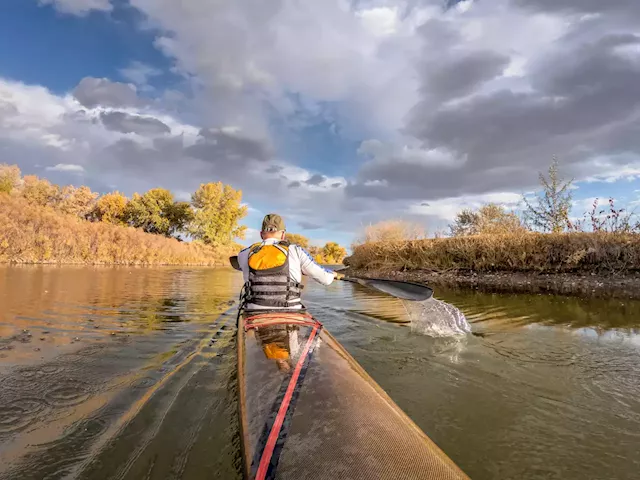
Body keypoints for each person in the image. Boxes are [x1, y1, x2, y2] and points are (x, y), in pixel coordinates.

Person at [237, 213, 344, 311]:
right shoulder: (296, 250)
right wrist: (332, 274)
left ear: (261, 234)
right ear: (283, 234)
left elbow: (239, 265)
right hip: (290, 311)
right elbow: (325, 278)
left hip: (254, 311)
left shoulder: (244, 254)